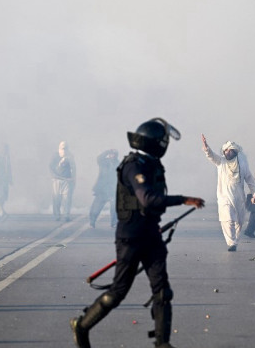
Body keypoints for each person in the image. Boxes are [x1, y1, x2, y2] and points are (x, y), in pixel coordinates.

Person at [70, 118, 205, 348]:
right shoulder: (134, 165)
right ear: (156, 143)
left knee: (162, 292)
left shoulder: (150, 163)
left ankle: (163, 343)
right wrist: (183, 200)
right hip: (130, 239)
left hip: (151, 235)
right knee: (118, 292)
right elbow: (148, 199)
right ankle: (82, 326)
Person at [202, 135, 255, 251]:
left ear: (235, 152)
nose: (228, 152)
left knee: (239, 221)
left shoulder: (242, 164)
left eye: (230, 150)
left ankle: (235, 241)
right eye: (226, 150)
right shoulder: (221, 162)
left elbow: (250, 179)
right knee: (228, 219)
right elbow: (211, 156)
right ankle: (231, 242)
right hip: (224, 197)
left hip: (239, 197)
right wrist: (206, 147)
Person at [89, 149, 119, 228]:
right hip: (102, 189)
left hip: (113, 189)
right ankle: (92, 221)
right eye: (111, 154)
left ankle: (114, 222)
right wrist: (107, 151)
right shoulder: (104, 162)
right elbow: (99, 158)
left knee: (114, 206)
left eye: (114, 154)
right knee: (96, 206)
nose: (112, 155)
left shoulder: (118, 164)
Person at [49, 141, 76, 222]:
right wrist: (54, 176)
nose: (64, 149)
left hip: (67, 180)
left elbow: (73, 168)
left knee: (66, 199)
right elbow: (51, 167)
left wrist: (73, 178)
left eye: (65, 148)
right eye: (62, 147)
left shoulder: (70, 156)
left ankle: (66, 215)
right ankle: (57, 215)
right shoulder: (55, 156)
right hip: (57, 180)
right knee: (56, 198)